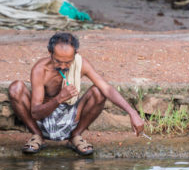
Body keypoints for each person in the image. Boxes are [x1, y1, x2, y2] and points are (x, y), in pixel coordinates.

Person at [9, 32, 144, 155]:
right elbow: (35, 113)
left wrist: (132, 113)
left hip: (72, 117)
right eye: (58, 61)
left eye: (67, 62)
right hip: (44, 120)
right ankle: (37, 136)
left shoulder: (81, 64)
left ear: (75, 54)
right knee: (16, 88)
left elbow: (107, 89)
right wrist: (59, 99)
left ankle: (75, 136)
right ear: (50, 53)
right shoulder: (40, 69)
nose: (62, 66)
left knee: (99, 91)